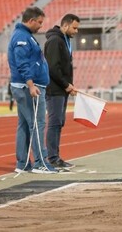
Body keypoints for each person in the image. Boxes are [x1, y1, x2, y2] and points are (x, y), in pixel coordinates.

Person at [7, 7, 56, 174]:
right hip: (28, 87)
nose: (41, 26)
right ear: (31, 20)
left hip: (26, 86)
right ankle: (40, 163)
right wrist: (31, 85)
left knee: (24, 125)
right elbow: (22, 63)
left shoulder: (25, 36)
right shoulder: (22, 38)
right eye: (40, 22)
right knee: (37, 124)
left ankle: (22, 163)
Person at [44, 13, 80, 170]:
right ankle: (52, 158)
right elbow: (52, 68)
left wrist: (69, 85)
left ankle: (55, 156)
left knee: (59, 123)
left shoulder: (64, 41)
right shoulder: (54, 41)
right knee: (54, 123)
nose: (76, 31)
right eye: (74, 27)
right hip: (55, 89)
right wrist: (66, 85)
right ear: (65, 25)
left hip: (62, 89)